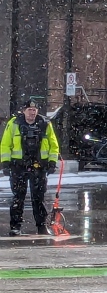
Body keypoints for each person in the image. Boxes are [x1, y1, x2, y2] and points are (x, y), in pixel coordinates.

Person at [1, 99, 60, 236]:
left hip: (39, 167)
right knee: (18, 198)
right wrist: (6, 163)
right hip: (18, 166)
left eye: (34, 110)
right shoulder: (14, 123)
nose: (32, 113)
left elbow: (53, 145)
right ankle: (15, 227)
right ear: (24, 111)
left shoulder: (45, 124)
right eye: (29, 110)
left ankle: (41, 227)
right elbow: (5, 144)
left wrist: (52, 162)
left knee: (38, 198)